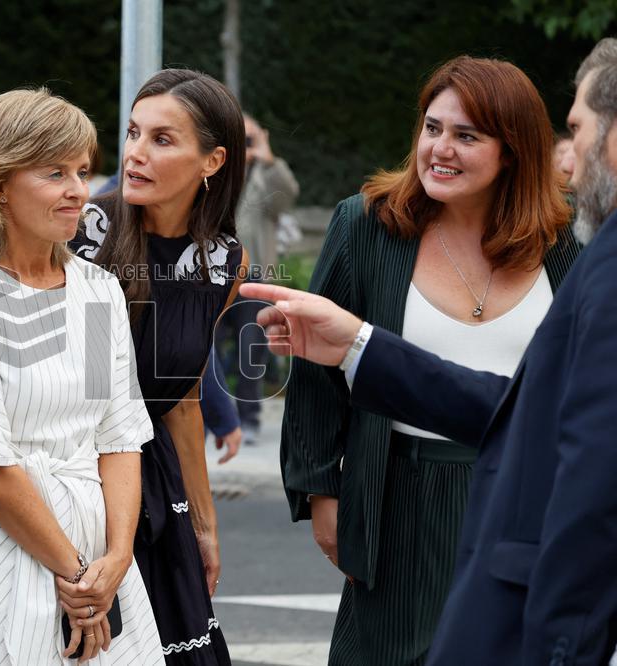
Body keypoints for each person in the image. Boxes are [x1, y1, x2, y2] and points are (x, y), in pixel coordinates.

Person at [243, 39, 617, 665]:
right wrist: (322, 494)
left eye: (466, 136)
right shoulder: (365, 225)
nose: (440, 148)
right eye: (432, 127)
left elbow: (549, 407)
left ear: (512, 150)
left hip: (520, 496)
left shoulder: (569, 241)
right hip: (396, 493)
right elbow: (315, 367)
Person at [0, 88, 163, 665]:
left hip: (99, 563)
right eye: (54, 173)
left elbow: (119, 438)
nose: (79, 190)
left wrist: (117, 559)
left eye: (82, 171)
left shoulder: (96, 290)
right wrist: (75, 575)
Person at [72, 68, 248, 664]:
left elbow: (183, 398)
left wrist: (205, 523)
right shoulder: (83, 231)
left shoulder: (224, 260)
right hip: (71, 477)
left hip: (156, 480)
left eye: (161, 139)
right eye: (133, 133)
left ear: (212, 161)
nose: (135, 153)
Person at [216, 113, 299, 445]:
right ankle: (213, 415)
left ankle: (248, 418)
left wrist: (267, 156)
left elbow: (287, 196)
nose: (246, 146)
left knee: (250, 350)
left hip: (255, 278)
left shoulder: (267, 174)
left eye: (250, 138)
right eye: (240, 139)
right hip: (215, 276)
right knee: (204, 346)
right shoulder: (217, 169)